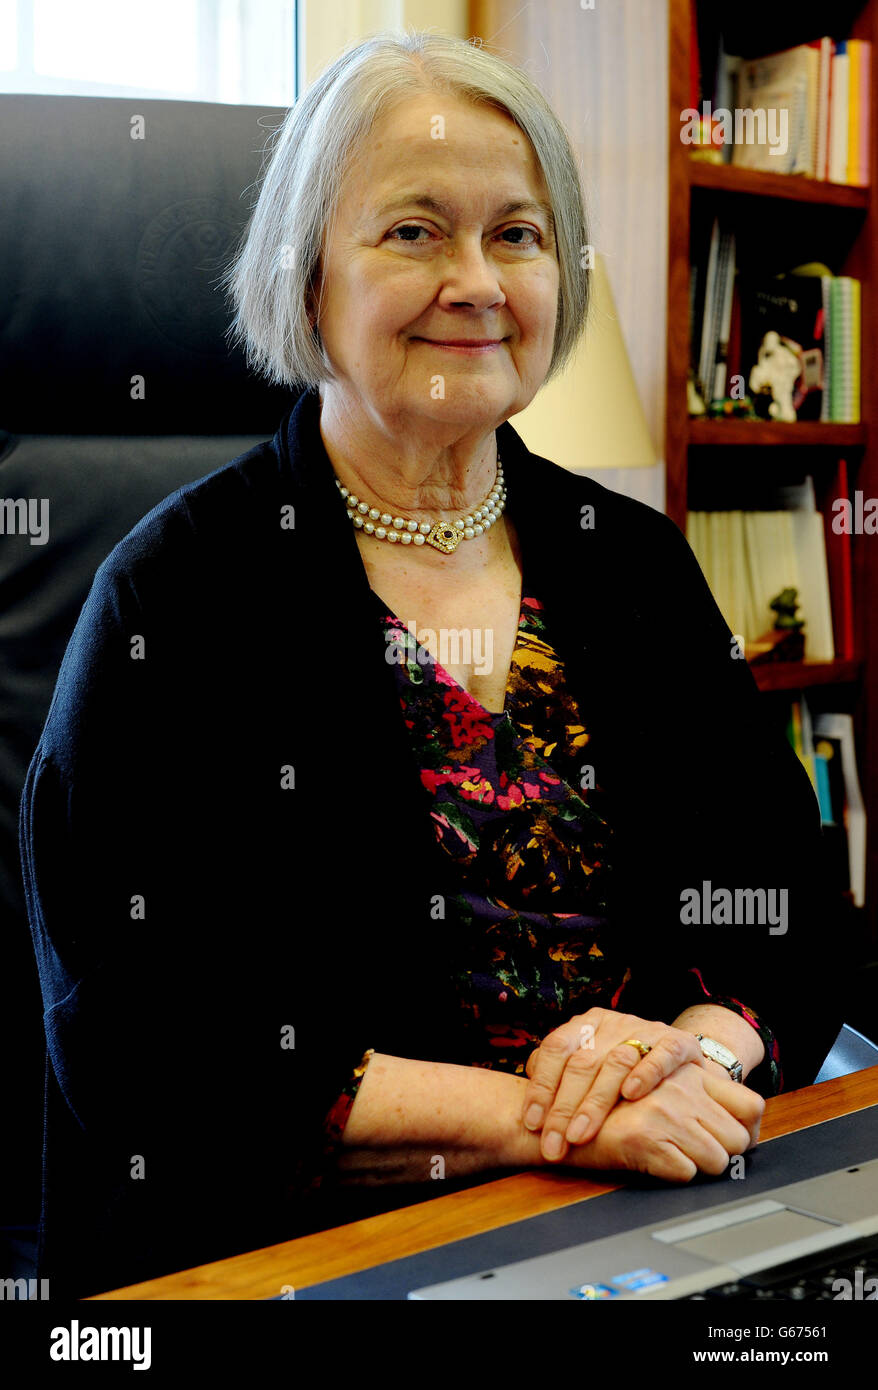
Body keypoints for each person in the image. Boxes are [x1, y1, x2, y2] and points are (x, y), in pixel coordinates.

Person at [20, 29, 842, 1298]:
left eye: (515, 234)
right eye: (412, 232)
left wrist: (702, 1051)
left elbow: (786, 906)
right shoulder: (173, 599)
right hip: (319, 1251)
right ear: (305, 282)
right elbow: (147, 1042)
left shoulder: (629, 564)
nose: (475, 279)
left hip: (661, 1199)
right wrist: (545, 1115)